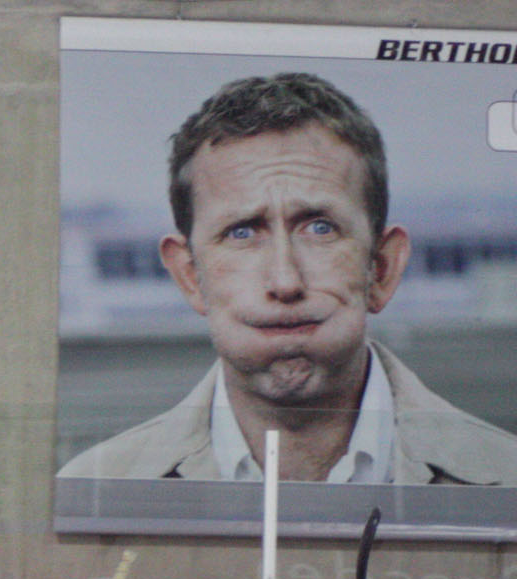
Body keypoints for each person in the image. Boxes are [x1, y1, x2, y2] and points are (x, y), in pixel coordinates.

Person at [58, 72, 517, 485]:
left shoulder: (507, 480)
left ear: (381, 267)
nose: (285, 280)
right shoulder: (95, 490)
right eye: (241, 232)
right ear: (189, 275)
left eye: (320, 228)